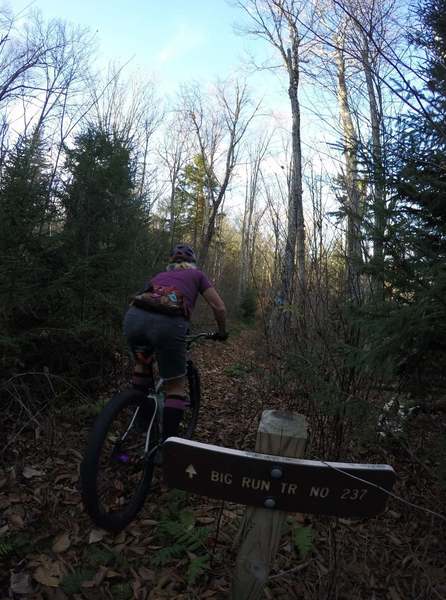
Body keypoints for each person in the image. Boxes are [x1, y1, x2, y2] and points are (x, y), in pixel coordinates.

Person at [123, 243, 228, 438]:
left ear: (170, 263)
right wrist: (222, 331)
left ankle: (140, 424)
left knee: (142, 365)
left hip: (133, 320)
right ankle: (167, 445)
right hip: (169, 326)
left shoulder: (159, 276)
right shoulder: (198, 275)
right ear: (193, 262)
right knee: (175, 385)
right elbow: (219, 307)